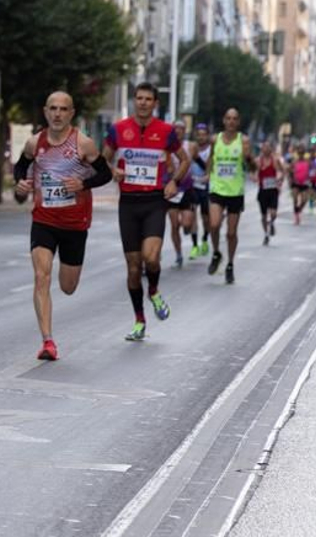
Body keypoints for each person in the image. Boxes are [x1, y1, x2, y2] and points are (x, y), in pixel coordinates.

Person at [13, 91, 111, 362]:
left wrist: (84, 183)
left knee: (68, 286)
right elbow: (20, 167)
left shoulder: (84, 144)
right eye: (53, 109)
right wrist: (20, 183)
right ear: (45, 111)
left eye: (63, 109)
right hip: (43, 220)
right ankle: (48, 341)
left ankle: (65, 278)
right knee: (41, 276)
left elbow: (106, 174)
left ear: (71, 113)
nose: (57, 114)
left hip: (75, 224)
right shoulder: (36, 143)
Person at [102, 82, 191, 342]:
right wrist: (112, 171)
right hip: (128, 203)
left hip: (154, 202)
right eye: (139, 98)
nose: (142, 102)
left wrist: (174, 181)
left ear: (155, 104)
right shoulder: (118, 129)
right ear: (134, 101)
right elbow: (102, 158)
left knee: (151, 259)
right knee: (132, 269)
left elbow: (183, 159)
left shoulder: (165, 132)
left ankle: (153, 290)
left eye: (147, 99)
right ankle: (139, 320)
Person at [205, 108, 256, 284]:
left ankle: (230, 265)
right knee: (214, 224)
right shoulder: (215, 139)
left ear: (238, 122)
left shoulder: (244, 141)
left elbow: (253, 166)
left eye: (235, 118)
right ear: (224, 120)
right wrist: (207, 174)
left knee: (231, 233)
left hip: (235, 192)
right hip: (217, 188)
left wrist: (249, 159)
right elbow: (211, 158)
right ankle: (217, 252)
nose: (231, 121)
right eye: (228, 118)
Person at [167, 120, 202, 268]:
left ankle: (188, 228)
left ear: (185, 130)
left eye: (181, 129)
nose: (178, 131)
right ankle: (179, 254)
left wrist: (207, 174)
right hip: (172, 190)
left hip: (187, 189)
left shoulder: (191, 146)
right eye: (175, 129)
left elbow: (200, 162)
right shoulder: (166, 147)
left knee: (187, 223)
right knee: (174, 225)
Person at [256, 140, 285, 246]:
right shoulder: (258, 160)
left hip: (273, 190)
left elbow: (282, 171)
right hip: (262, 190)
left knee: (273, 213)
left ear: (271, 149)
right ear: (262, 149)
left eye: (268, 147)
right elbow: (253, 172)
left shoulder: (275, 160)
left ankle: (272, 223)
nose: (266, 149)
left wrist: (280, 179)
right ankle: (266, 234)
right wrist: (254, 177)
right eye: (264, 147)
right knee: (263, 215)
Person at [290, 149, 310, 226]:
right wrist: (291, 178)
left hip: (304, 183)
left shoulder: (307, 162)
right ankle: (296, 217)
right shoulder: (294, 162)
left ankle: (299, 210)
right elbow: (289, 171)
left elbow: (310, 171)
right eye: (299, 154)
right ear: (298, 154)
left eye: (302, 154)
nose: (301, 155)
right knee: (295, 200)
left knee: (305, 200)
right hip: (296, 183)